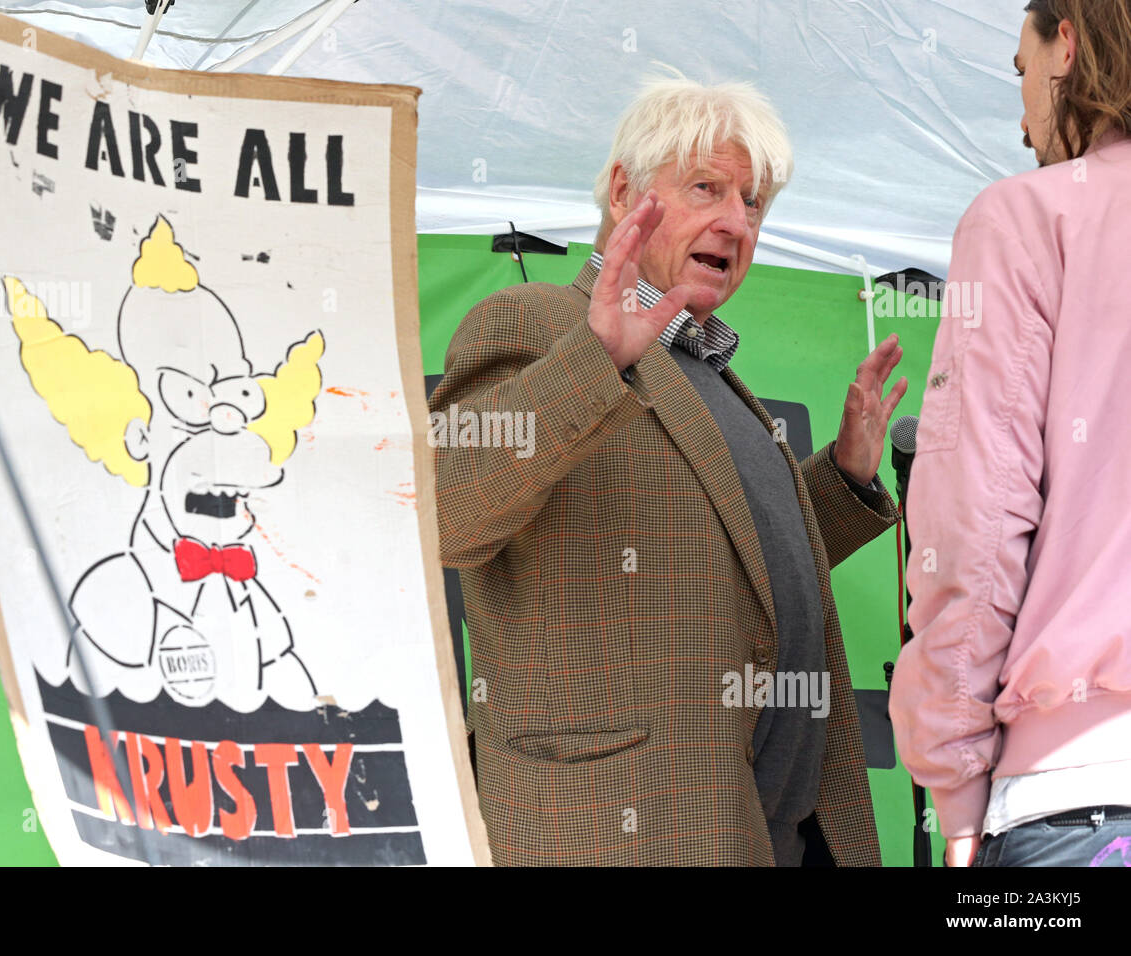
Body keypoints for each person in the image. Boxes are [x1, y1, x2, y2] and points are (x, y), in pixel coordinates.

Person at [430, 75, 908, 866]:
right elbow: (450, 508)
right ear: (623, 193)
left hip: (769, 832)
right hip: (623, 831)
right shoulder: (538, 322)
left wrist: (845, 480)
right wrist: (594, 360)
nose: (737, 220)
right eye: (706, 188)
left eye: (753, 203)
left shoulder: (715, 376)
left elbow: (736, 568)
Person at [890, 0, 1131, 868]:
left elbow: (976, 529)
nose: (1022, 114)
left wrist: (953, 787)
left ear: (1066, 44)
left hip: (1083, 793)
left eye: (1020, 69)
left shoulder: (1022, 219)